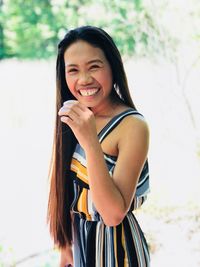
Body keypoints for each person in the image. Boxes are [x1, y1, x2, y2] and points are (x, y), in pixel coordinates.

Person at [47, 25, 150, 267]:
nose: (84, 80)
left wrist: (90, 141)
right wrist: (65, 245)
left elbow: (113, 214)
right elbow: (70, 188)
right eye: (73, 70)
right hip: (80, 243)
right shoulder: (76, 113)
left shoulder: (132, 126)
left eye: (94, 66)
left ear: (113, 67)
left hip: (117, 251)